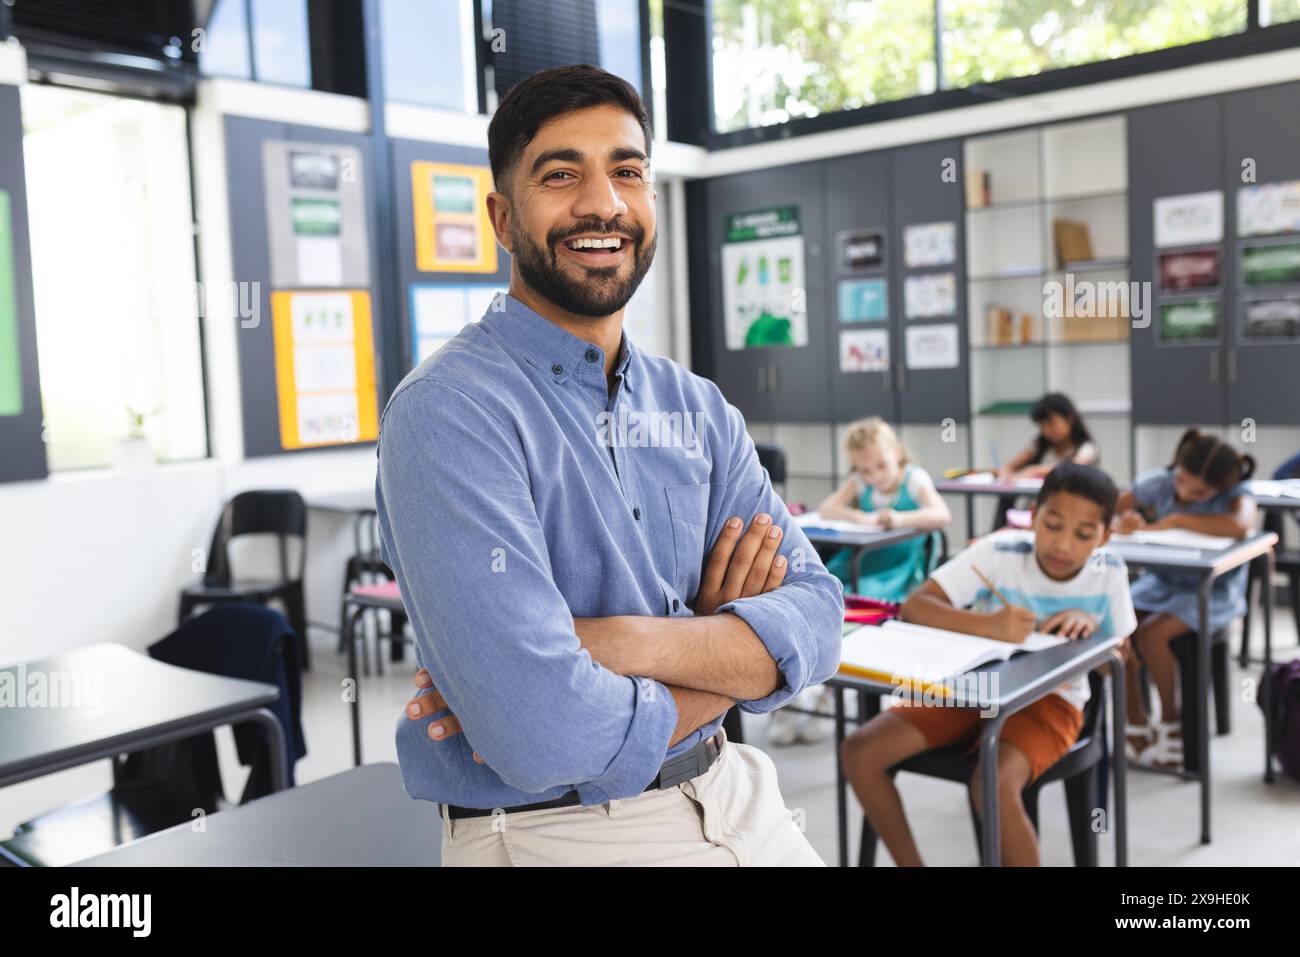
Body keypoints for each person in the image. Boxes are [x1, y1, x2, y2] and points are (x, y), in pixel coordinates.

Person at [376, 64, 843, 866]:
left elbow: (821, 614)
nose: (604, 203)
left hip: (736, 791)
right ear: (501, 215)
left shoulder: (695, 407)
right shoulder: (448, 412)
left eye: (628, 171)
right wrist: (730, 655)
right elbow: (539, 729)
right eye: (562, 175)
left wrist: (620, 639)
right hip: (561, 831)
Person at [841, 463, 1136, 866]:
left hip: (1052, 702)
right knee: (860, 751)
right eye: (1052, 524)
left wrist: (1097, 637)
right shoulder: (999, 552)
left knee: (991, 783)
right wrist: (989, 626)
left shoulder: (1108, 574)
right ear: (1032, 517)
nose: (1063, 544)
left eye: (1083, 534)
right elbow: (915, 606)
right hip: (970, 689)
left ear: (1104, 536)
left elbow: (1117, 666)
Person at [1116, 429, 1257, 769]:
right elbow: (1113, 507)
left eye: (1199, 492)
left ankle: (1172, 722)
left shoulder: (1237, 494)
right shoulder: (1161, 483)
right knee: (1115, 625)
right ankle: (1134, 722)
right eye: (1182, 480)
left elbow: (1241, 524)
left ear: (1220, 489)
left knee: (1152, 634)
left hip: (1212, 592)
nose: (1184, 491)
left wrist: (1177, 519)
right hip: (1161, 582)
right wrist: (1126, 521)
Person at [819, 417, 952, 601]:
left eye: (881, 465)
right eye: (865, 471)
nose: (875, 476)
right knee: (822, 583)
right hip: (864, 556)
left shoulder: (914, 479)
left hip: (898, 563)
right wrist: (861, 518)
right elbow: (827, 508)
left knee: (856, 595)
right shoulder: (860, 481)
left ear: (897, 453)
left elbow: (942, 514)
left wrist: (900, 520)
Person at [996, 392, 1099, 481]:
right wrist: (1005, 473)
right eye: (1042, 425)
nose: (1046, 431)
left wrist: (1033, 470)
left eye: (1051, 424)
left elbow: (1073, 468)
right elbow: (1009, 466)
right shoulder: (1039, 445)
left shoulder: (1087, 448)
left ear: (1069, 418)